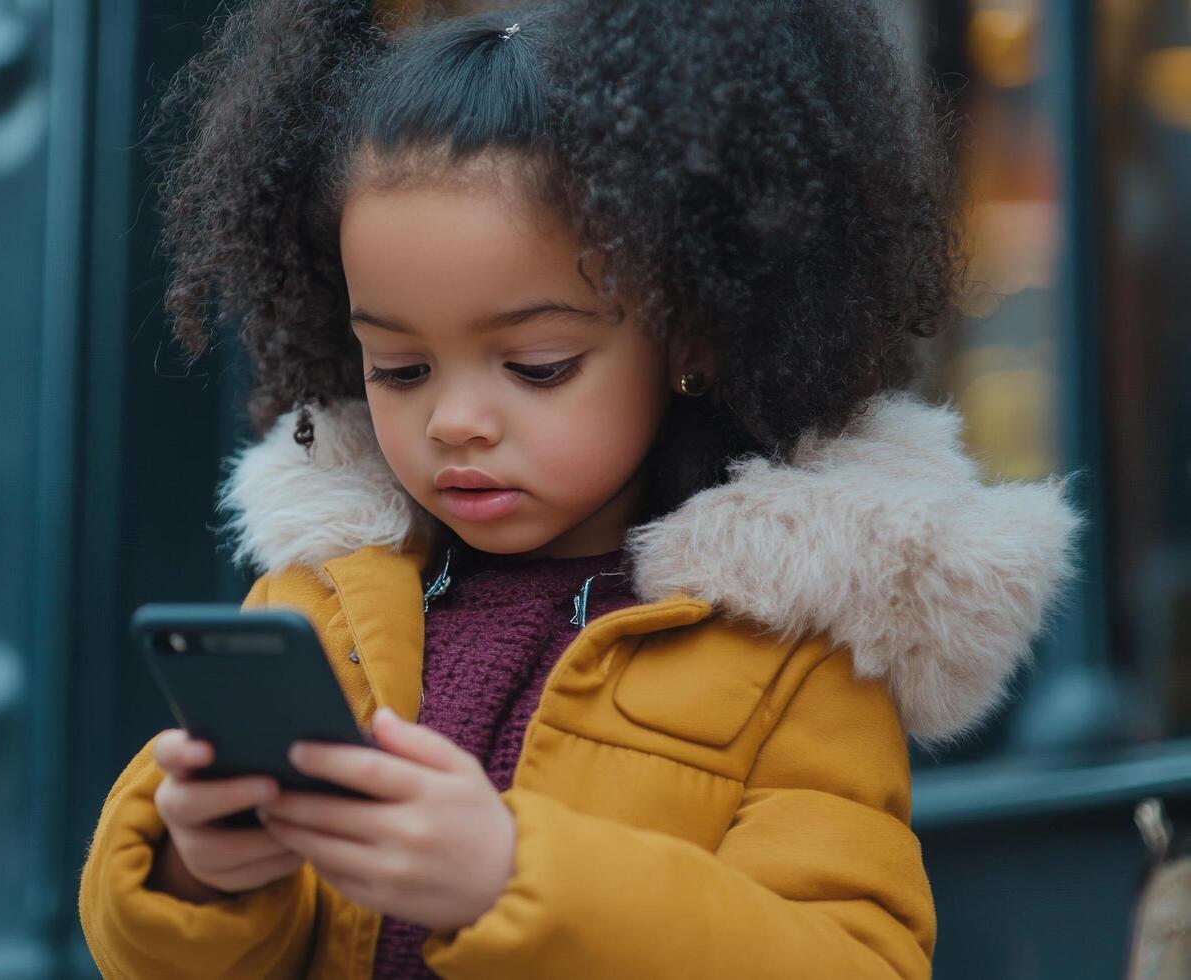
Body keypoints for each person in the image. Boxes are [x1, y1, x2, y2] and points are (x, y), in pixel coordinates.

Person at [78, 1, 1084, 977]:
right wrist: (195, 870)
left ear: (689, 333)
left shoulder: (789, 648)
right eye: (399, 367)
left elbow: (853, 957)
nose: (455, 420)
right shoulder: (321, 594)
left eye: (539, 363)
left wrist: (510, 877)